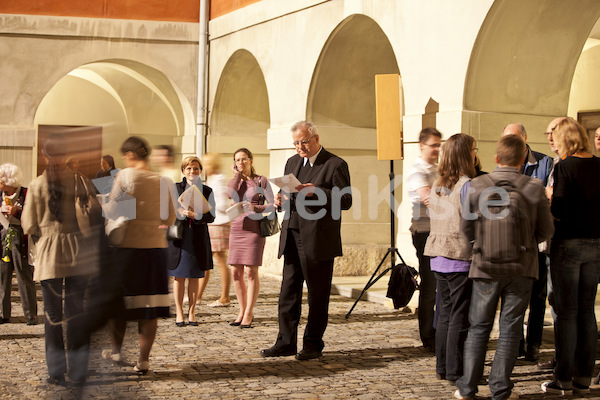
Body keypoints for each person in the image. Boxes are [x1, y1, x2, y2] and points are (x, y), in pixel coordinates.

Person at [454, 134, 554, 400]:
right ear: (523, 159)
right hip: (522, 267)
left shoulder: (477, 185)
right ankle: (500, 388)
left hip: (485, 266)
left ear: (496, 158)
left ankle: (467, 387)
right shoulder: (534, 186)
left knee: (478, 328)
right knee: (511, 327)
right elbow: (546, 230)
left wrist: (482, 245)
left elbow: (465, 228)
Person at [261, 121, 352, 361]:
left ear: (315, 138)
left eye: (304, 142)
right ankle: (285, 342)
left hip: (318, 239)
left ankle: (313, 344)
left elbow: (346, 200)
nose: (299, 147)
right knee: (288, 292)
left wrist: (316, 192)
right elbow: (289, 194)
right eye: (296, 143)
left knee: (317, 295)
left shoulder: (335, 164)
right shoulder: (292, 162)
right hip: (292, 233)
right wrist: (280, 200)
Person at [21, 134, 100, 385]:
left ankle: (56, 372)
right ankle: (78, 371)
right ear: (67, 155)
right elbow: (95, 212)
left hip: (49, 254)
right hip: (78, 251)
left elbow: (29, 223)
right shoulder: (79, 179)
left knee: (52, 317)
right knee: (77, 313)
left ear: (44, 154)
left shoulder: (36, 185)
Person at [101, 136, 176, 374]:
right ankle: (143, 360)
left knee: (119, 303)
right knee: (149, 306)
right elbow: (170, 218)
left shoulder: (125, 176)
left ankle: (117, 351)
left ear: (130, 155)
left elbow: (114, 210)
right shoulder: (163, 180)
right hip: (154, 250)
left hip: (128, 249)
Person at [541, 118, 600, 396]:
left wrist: (549, 195)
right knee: (587, 310)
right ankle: (584, 377)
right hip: (596, 243)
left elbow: (560, 208)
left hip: (568, 243)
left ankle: (563, 377)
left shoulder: (565, 167)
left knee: (566, 313)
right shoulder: (599, 164)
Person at [424, 134, 477, 384]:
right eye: (474, 150)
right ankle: (455, 370)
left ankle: (443, 367)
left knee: (444, 314)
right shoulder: (467, 185)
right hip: (459, 256)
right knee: (458, 316)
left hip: (438, 256)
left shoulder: (437, 184)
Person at [502, 123, 553, 362]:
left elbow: (548, 202)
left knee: (537, 297)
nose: (509, 143)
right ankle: (516, 345)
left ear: (525, 138)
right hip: (511, 244)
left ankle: (533, 343)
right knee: (513, 298)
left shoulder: (545, 163)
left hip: (536, 242)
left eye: (513, 138)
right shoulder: (500, 166)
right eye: (506, 138)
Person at [227, 148, 274, 329]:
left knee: (250, 272)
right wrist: (237, 176)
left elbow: (271, 205)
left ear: (251, 161)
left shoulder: (261, 180)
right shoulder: (234, 181)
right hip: (237, 228)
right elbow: (229, 194)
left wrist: (256, 209)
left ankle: (249, 312)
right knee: (235, 272)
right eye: (237, 160)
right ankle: (241, 310)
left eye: (244, 159)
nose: (241, 162)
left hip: (254, 229)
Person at [168, 156, 215, 326]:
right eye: (188, 168)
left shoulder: (207, 190)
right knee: (179, 276)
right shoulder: (174, 188)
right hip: (180, 237)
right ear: (183, 171)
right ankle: (179, 312)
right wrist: (180, 212)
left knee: (194, 276)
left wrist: (196, 215)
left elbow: (212, 216)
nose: (192, 172)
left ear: (200, 171)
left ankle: (192, 312)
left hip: (197, 237)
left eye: (195, 168)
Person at [407, 127, 441, 352]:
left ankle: (438, 330)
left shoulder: (439, 169)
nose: (437, 149)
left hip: (440, 232)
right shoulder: (417, 171)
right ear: (422, 146)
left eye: (440, 145)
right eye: (433, 145)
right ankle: (428, 336)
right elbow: (429, 199)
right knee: (429, 285)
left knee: (439, 284)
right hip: (424, 233)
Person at [0, 163, 37, 325]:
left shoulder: (26, 194)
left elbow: (32, 216)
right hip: (2, 236)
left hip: (21, 237)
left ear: (8, 180)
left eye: (1, 179)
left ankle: (31, 314)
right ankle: (3, 313)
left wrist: (15, 211)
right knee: (2, 277)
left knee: (24, 276)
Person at [203, 153, 233, 308]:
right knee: (207, 260)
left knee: (219, 261)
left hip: (218, 223)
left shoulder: (219, 179)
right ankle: (199, 295)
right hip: (212, 223)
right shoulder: (212, 179)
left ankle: (224, 297)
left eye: (206, 164)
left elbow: (222, 204)